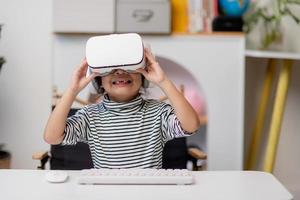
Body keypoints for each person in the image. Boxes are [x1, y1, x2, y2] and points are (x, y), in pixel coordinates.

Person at [43, 48, 201, 169]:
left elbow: (191, 126)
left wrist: (163, 81)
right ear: (99, 80)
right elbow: (52, 137)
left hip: (149, 193)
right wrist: (72, 90)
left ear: (144, 76)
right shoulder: (89, 116)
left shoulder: (158, 113)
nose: (120, 72)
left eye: (129, 66)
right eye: (111, 68)